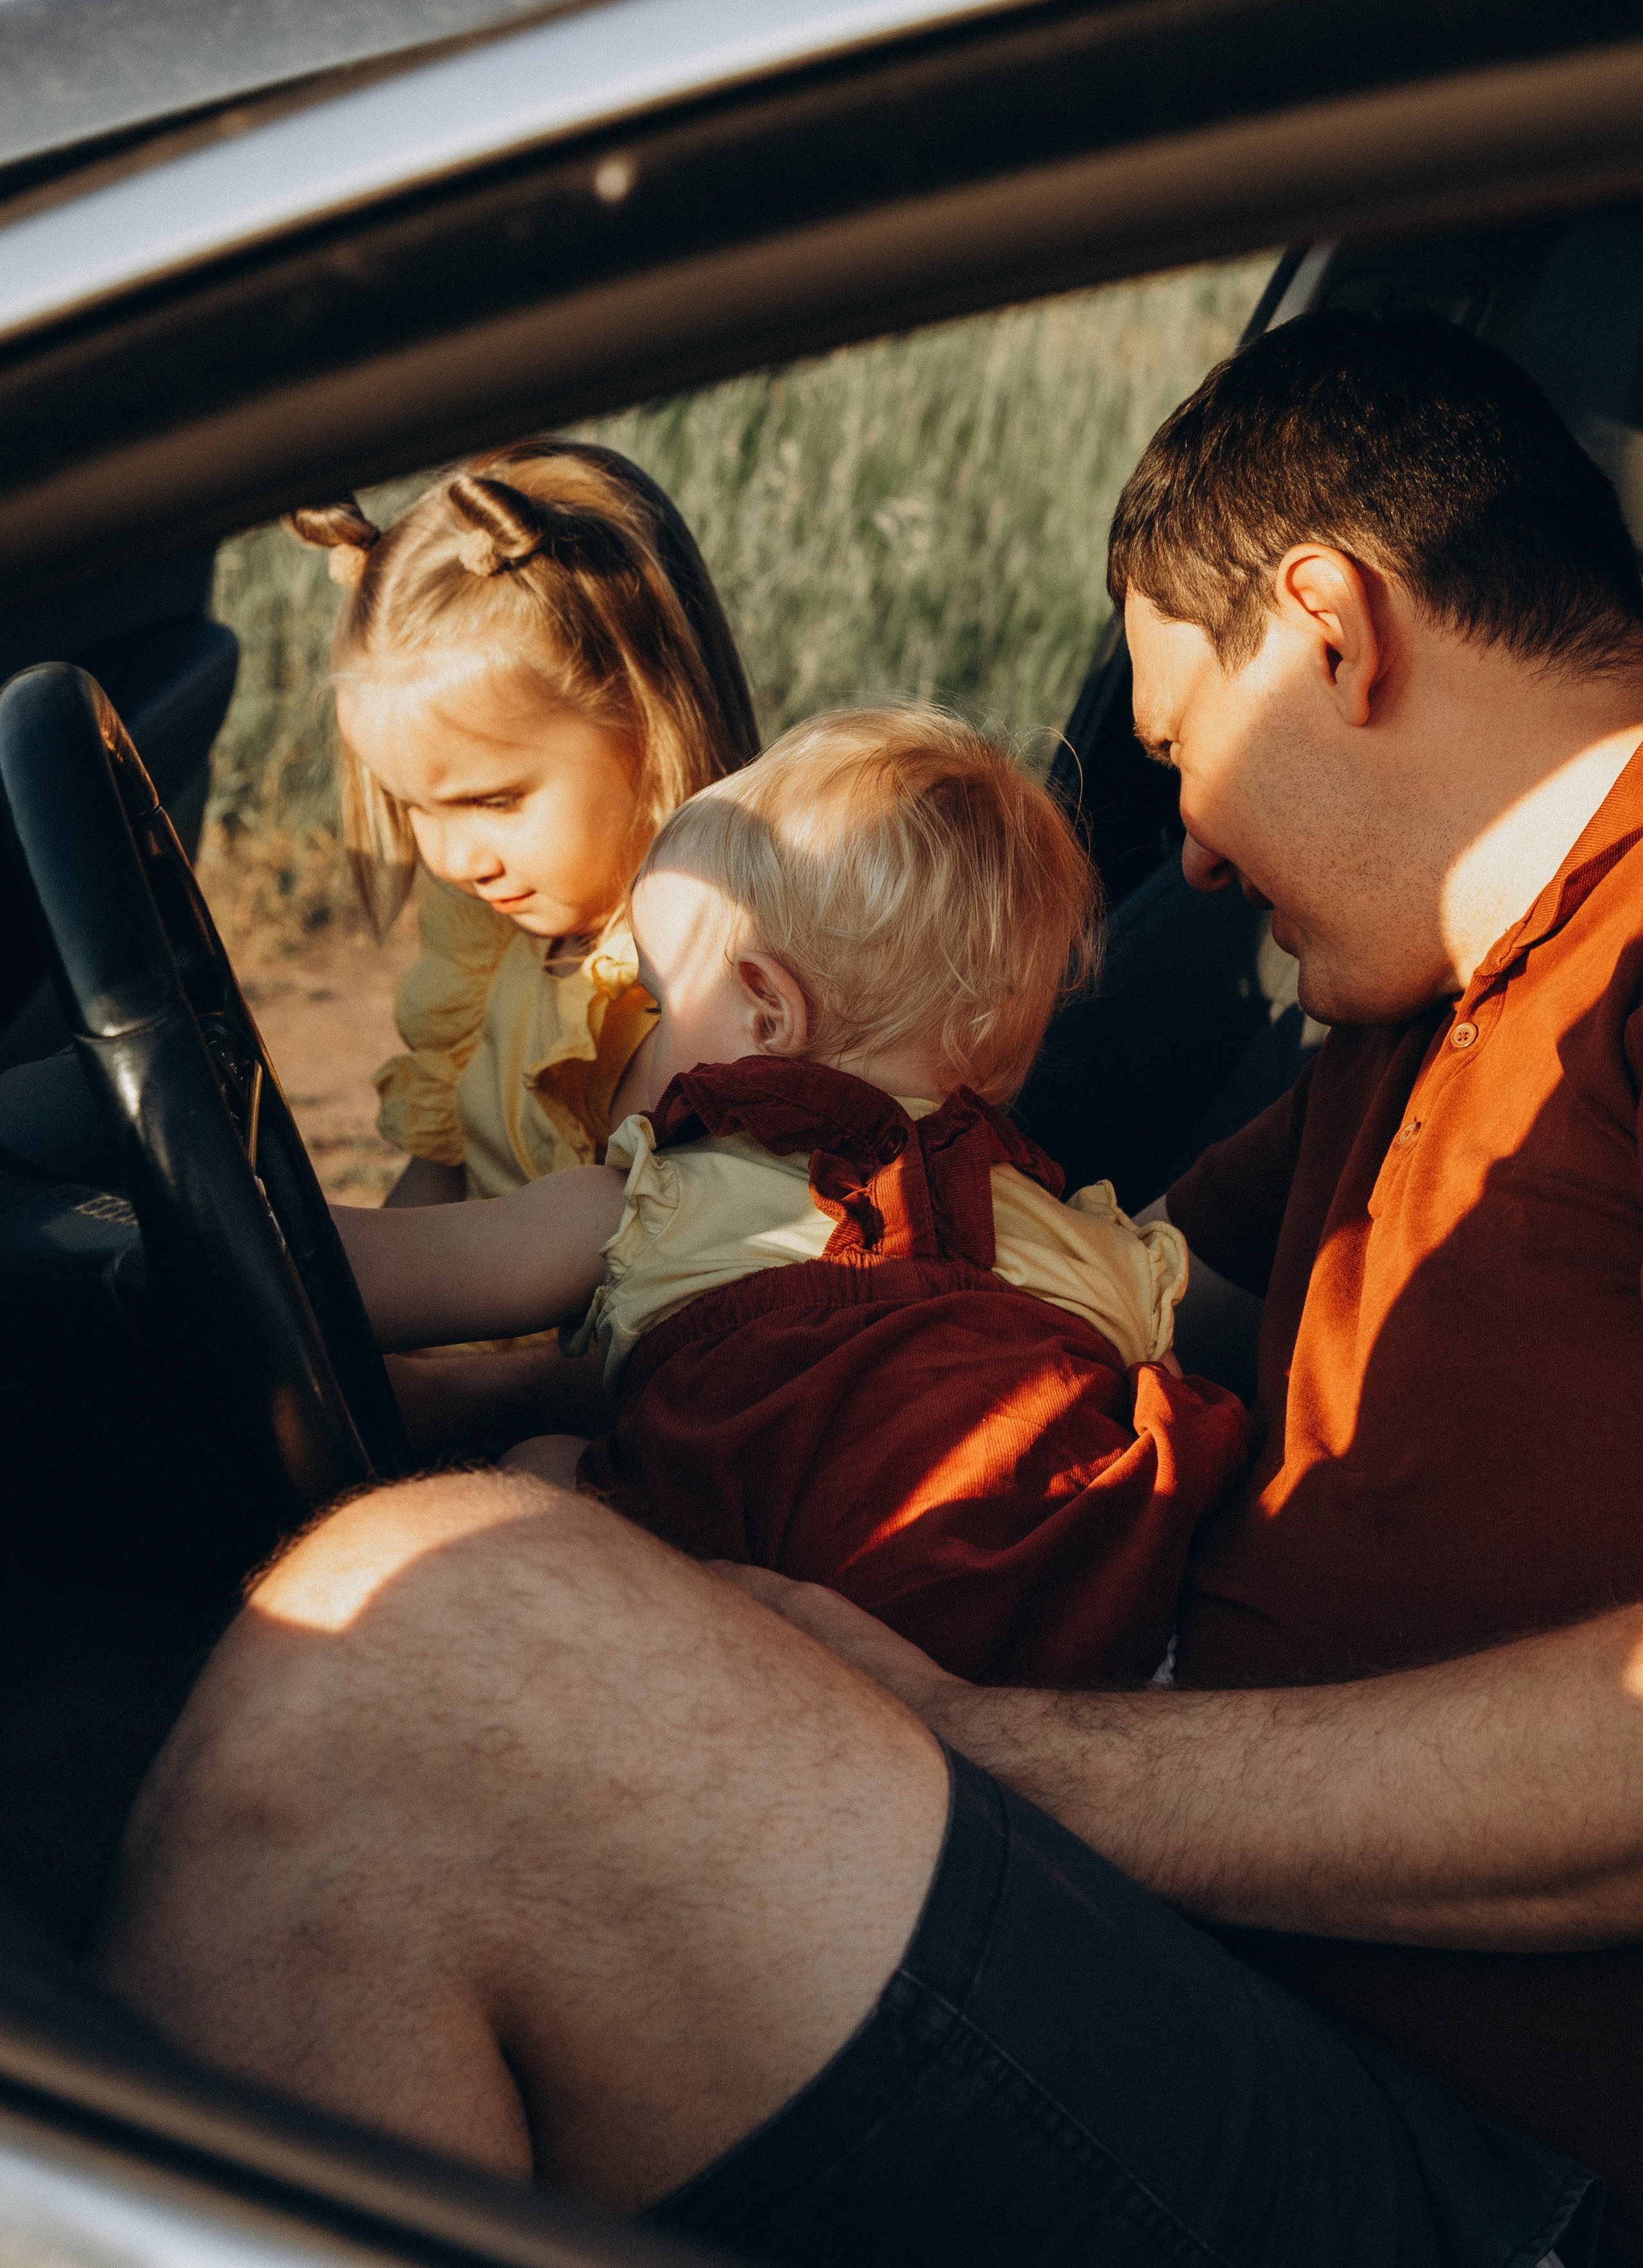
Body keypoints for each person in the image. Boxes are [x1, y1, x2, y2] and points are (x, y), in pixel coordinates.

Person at [96, 311, 1643, 2268]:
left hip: (1490, 2168)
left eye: (1180, 749)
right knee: (463, 1587)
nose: (1191, 848)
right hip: (1227, 1975)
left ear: (1332, 630)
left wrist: (978, 1737)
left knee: (409, 1679)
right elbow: (1010, 1298)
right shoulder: (1401, 1031)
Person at [334, 707, 1249, 1685]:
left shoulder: (645, 1200)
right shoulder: (1082, 1237)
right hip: (1057, 1650)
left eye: (653, 1000)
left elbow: (361, 1274)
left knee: (540, 1469)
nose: (641, 1039)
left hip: (779, 1650)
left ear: (765, 1010)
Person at [286, 437, 759, 1209]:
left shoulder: (714, 988)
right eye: (411, 807)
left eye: (495, 801)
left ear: (650, 719)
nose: (452, 859)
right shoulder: (486, 943)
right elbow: (441, 1173)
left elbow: (649, 1268)